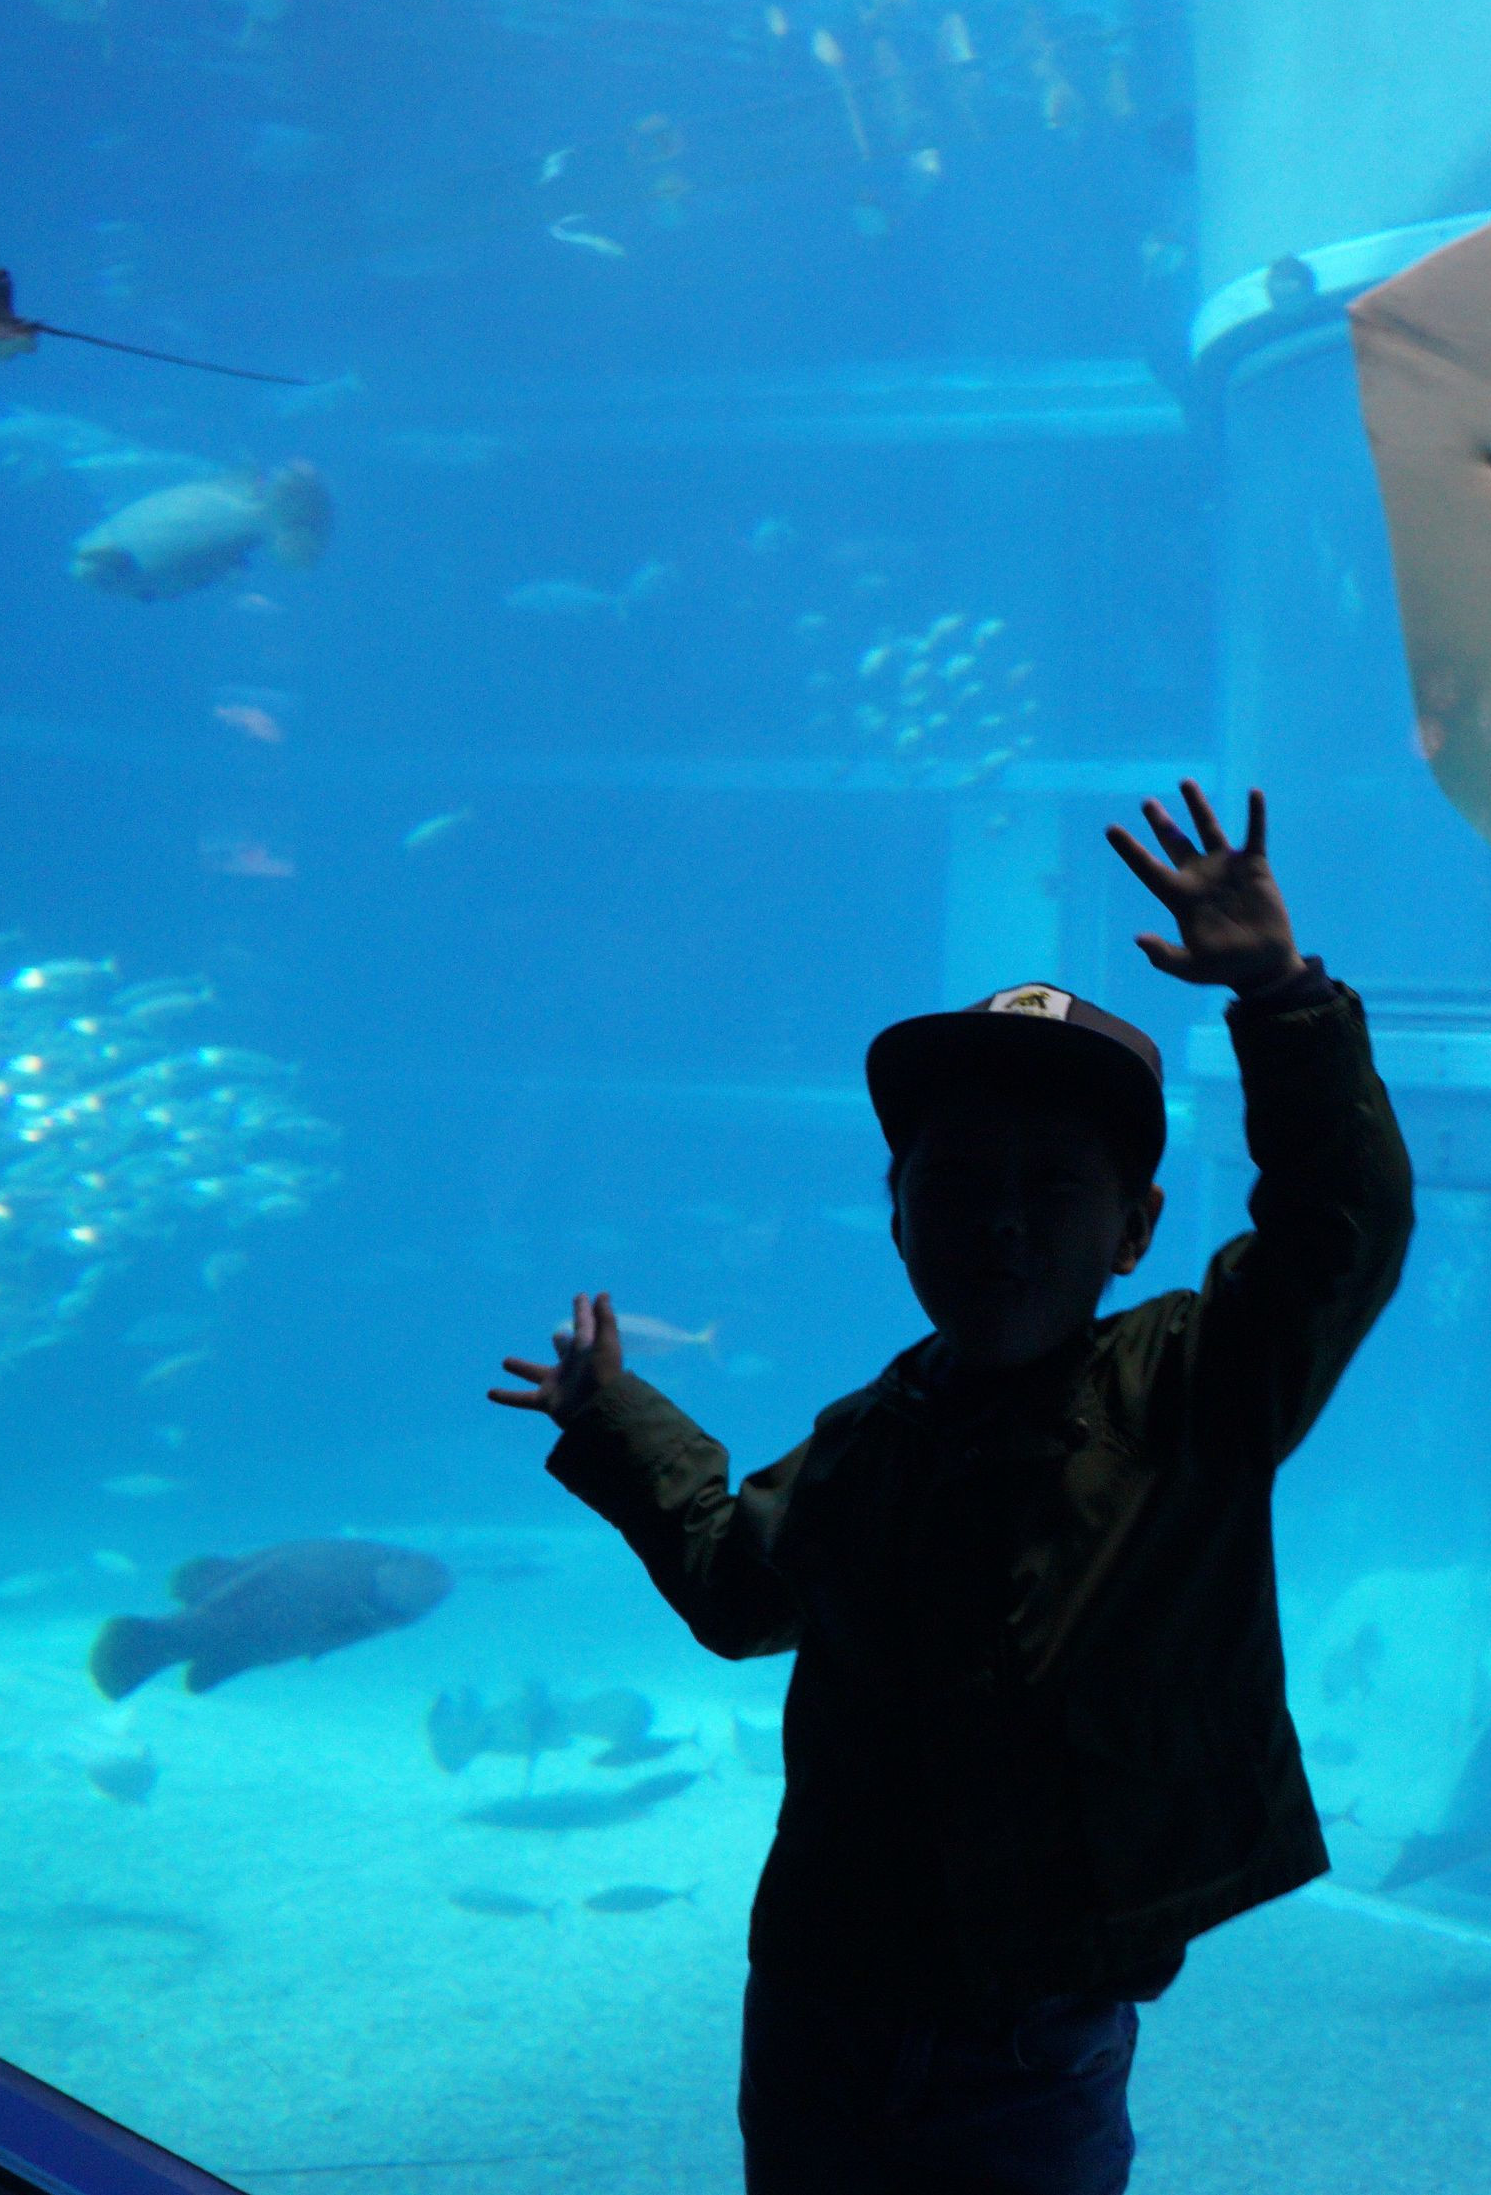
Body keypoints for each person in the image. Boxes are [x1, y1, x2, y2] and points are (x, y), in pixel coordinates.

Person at [488, 781, 1411, 2194]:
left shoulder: (1193, 1386)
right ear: (896, 1212)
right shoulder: (866, 1440)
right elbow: (738, 1589)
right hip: (815, 2009)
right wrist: (612, 1418)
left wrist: (1280, 997)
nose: (999, 1220)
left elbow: (1337, 1225)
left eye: (1053, 1185)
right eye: (958, 1179)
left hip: (1032, 2042)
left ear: (1135, 1230)